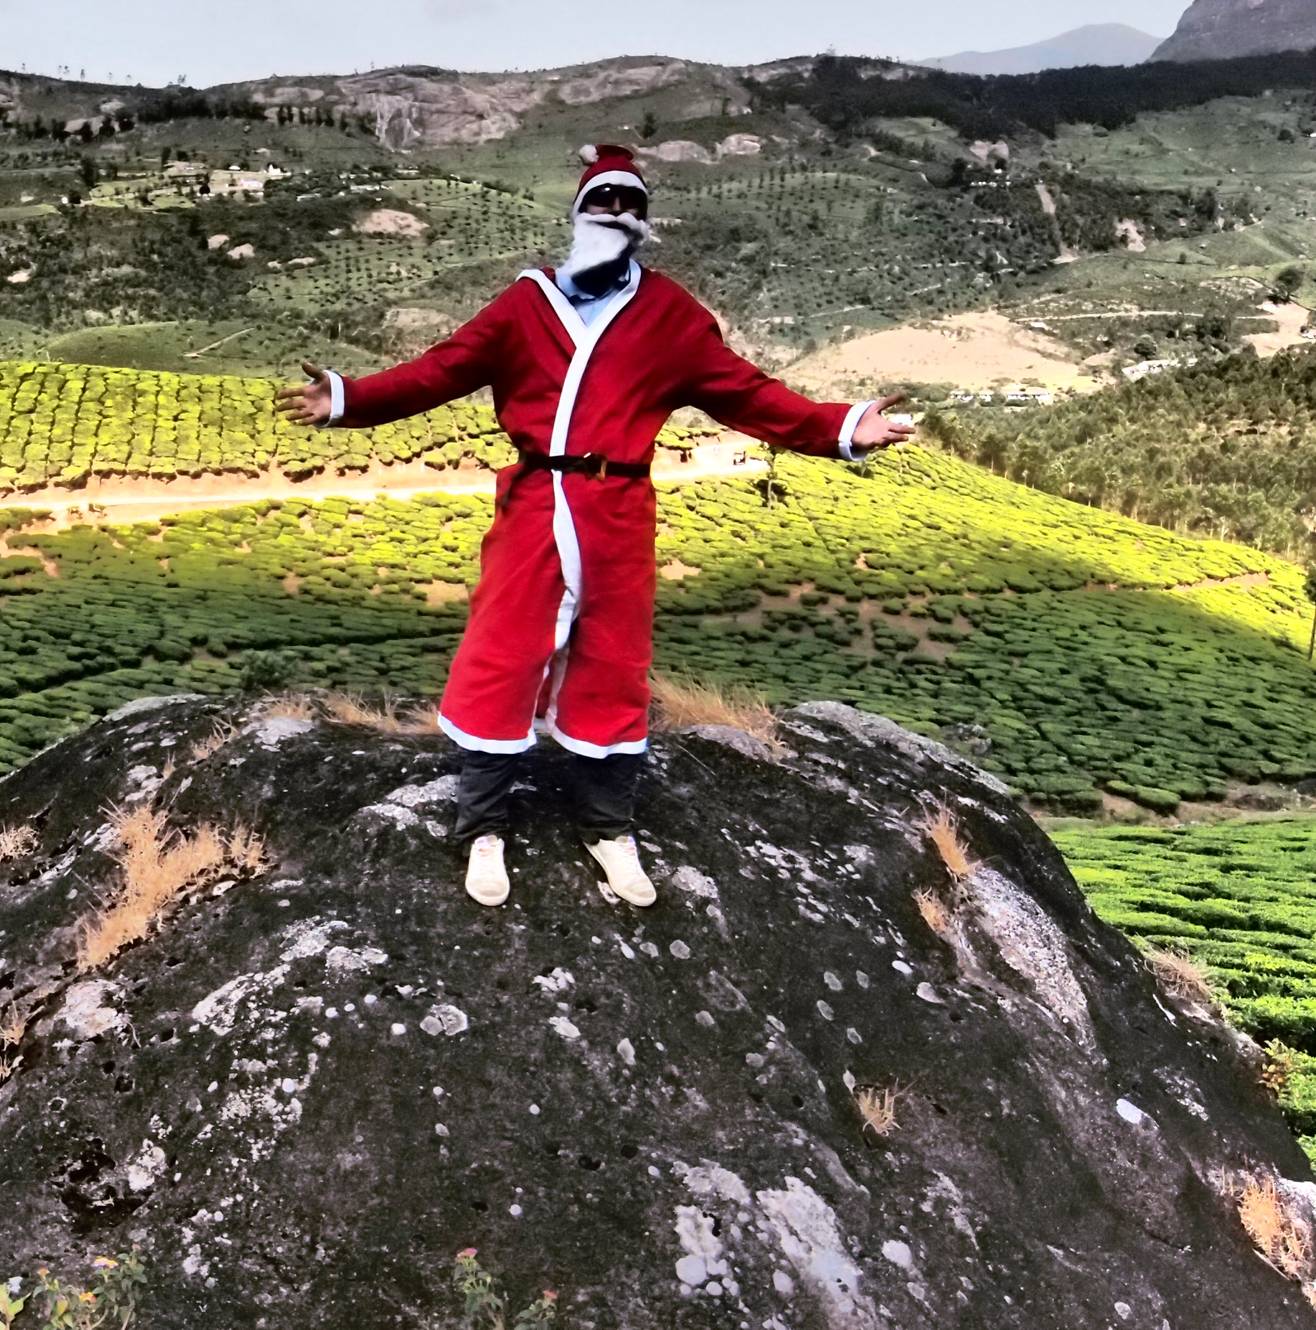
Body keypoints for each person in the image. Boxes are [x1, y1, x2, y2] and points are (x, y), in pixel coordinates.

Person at [276, 141, 914, 909]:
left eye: (630, 205)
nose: (615, 215)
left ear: (643, 222)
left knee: (614, 663)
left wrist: (843, 426)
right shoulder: (524, 305)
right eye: (602, 202)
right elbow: (439, 372)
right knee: (501, 654)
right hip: (535, 506)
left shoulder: (671, 317)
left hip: (619, 512)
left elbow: (751, 395)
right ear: (580, 215)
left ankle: (607, 827)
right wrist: (347, 399)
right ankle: (483, 825)